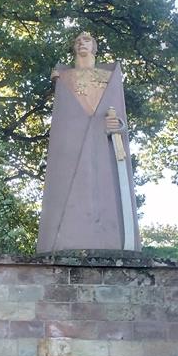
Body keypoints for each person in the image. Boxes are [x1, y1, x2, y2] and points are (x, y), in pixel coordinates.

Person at [36, 32, 140, 253]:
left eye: (86, 41)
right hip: (69, 151)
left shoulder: (108, 76)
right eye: (78, 41)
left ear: (94, 47)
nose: (81, 43)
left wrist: (118, 125)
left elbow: (119, 119)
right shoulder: (63, 76)